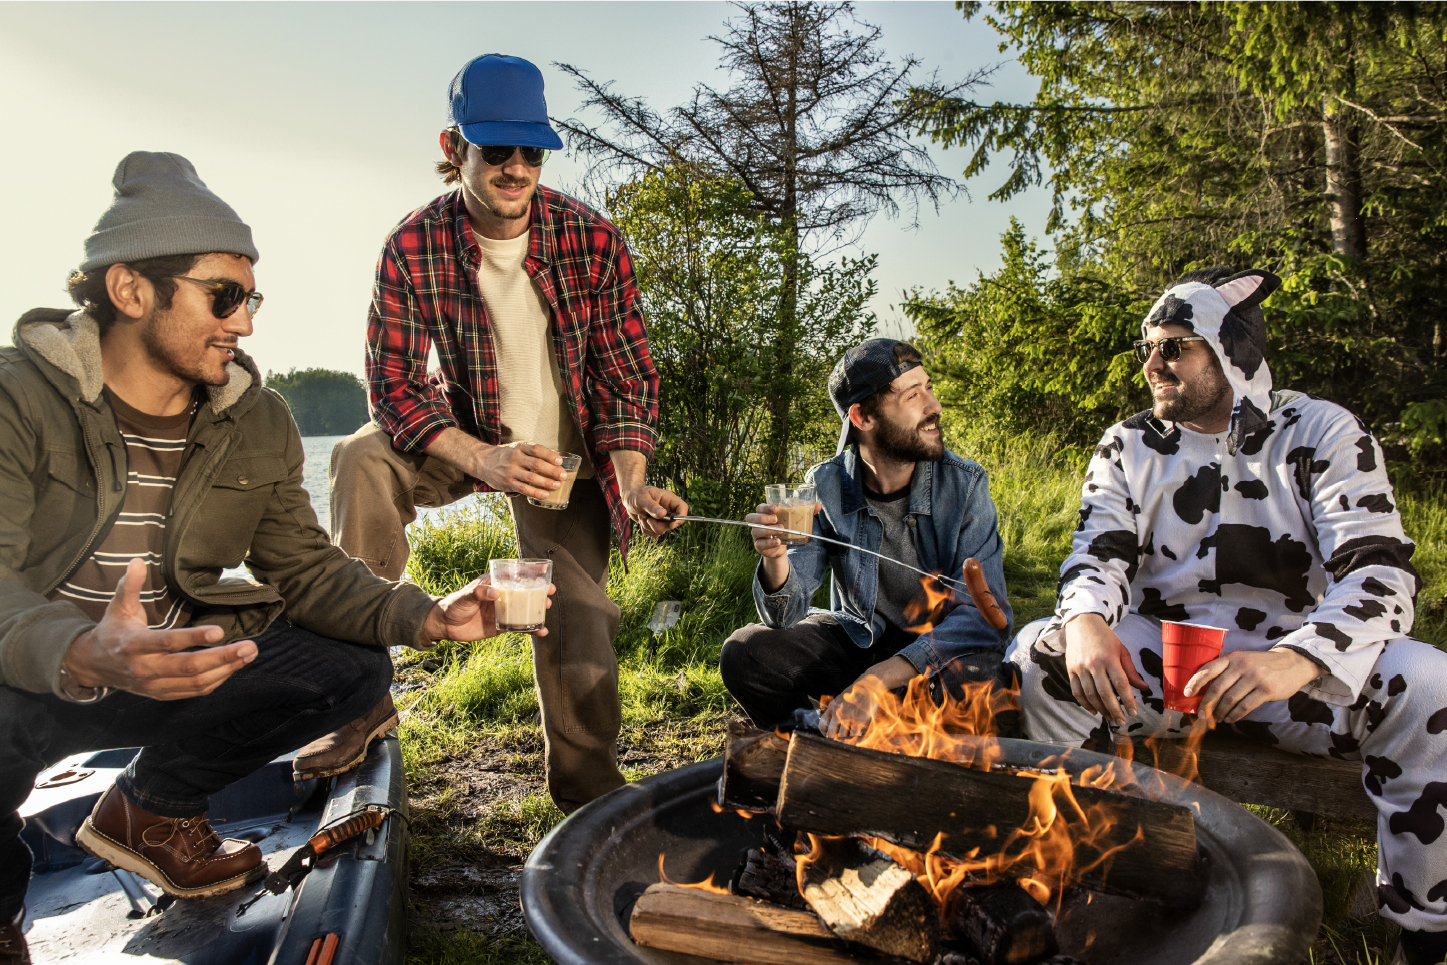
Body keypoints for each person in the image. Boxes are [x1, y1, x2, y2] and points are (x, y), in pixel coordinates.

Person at [0, 152, 539, 965]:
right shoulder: (17, 397)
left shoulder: (256, 417)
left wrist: (422, 614)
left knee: (352, 663)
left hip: (178, 665)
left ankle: (151, 807)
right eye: (222, 297)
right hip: (29, 675)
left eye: (250, 299)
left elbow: (309, 570)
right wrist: (78, 647)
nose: (245, 323)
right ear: (131, 290)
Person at [1007, 267, 1447, 963]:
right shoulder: (1126, 444)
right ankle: (1083, 883)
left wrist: (1297, 657)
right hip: (1160, 676)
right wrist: (1086, 619)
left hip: (1296, 677)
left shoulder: (1322, 430)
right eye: (1147, 348)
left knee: (1429, 682)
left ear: (1230, 353)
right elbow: (1097, 553)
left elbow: (1379, 570)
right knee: (1040, 649)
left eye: (1174, 346)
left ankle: (1425, 932)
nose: (1152, 364)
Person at [326, 53, 686, 814]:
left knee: (574, 613)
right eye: (497, 151)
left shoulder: (594, 241)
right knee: (359, 456)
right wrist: (480, 456)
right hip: (462, 436)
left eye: (532, 150)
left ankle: (589, 801)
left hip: (566, 465)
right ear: (455, 147)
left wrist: (630, 479)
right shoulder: (411, 246)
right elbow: (391, 385)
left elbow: (626, 380)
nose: (516, 168)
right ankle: (354, 693)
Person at [720, 338, 1014, 738]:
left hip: (938, 660)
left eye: (929, 388)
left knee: (980, 681)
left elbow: (986, 619)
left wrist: (876, 681)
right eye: (914, 395)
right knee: (745, 653)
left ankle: (905, 750)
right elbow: (783, 618)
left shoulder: (963, 484)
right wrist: (775, 558)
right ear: (862, 418)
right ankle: (813, 753)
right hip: (861, 643)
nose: (934, 406)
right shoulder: (824, 485)